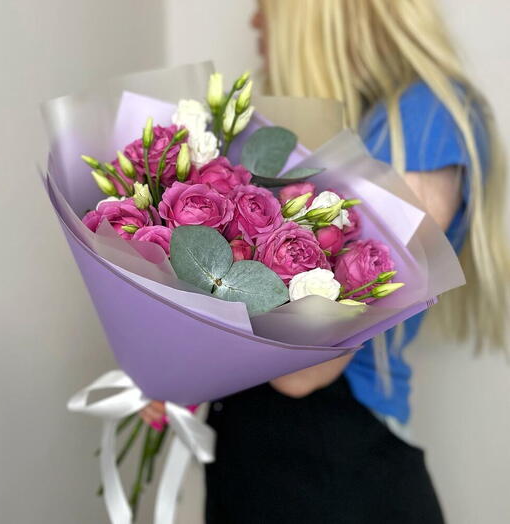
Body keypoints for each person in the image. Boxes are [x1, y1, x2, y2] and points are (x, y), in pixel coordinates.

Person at [141, 1, 509, 522]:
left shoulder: (422, 120)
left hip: (329, 468)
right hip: (269, 464)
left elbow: (305, 373)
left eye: (264, 4)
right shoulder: (341, 126)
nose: (254, 21)